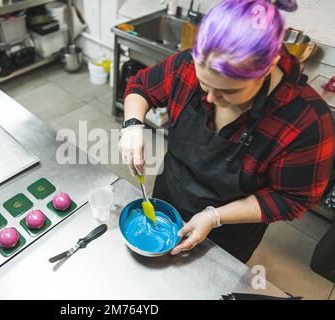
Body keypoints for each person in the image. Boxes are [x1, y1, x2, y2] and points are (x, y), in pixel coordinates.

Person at [119, 0, 335, 263]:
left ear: (268, 67)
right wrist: (132, 126)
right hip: (168, 197)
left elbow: (290, 199)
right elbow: (141, 86)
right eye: (203, 84)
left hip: (226, 238)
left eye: (228, 91)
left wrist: (215, 216)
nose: (209, 98)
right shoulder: (186, 65)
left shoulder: (308, 122)